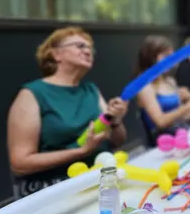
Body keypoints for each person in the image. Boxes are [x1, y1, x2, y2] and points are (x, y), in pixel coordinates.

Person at [7, 27, 128, 198]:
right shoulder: (32, 94)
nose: (88, 51)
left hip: (98, 182)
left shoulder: (91, 90)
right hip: (53, 192)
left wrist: (116, 121)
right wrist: (81, 152)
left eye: (90, 48)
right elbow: (20, 163)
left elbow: (117, 141)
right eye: (80, 46)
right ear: (56, 54)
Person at [135, 36, 190, 147]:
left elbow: (180, 118)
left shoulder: (170, 81)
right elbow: (161, 122)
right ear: (150, 57)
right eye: (166, 56)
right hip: (163, 143)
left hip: (180, 136)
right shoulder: (145, 87)